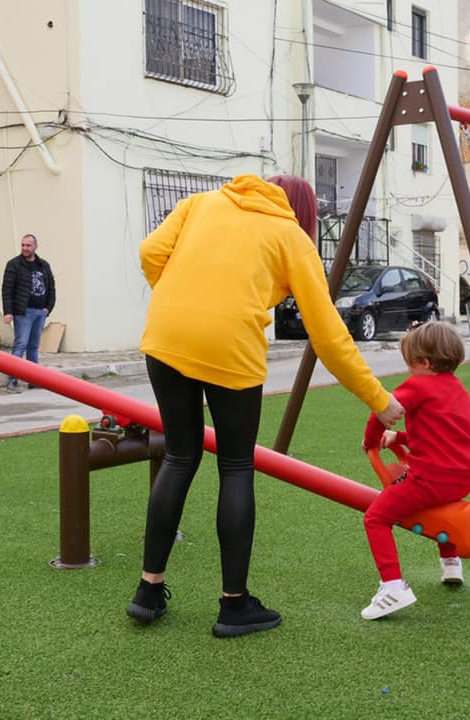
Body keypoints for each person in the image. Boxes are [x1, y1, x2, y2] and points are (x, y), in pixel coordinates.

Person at [126, 174, 401, 638]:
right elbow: (328, 333)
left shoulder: (202, 202)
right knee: (235, 467)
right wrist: (378, 399)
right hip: (230, 346)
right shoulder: (291, 236)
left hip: (166, 334)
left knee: (178, 456)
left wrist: (183, 299)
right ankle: (234, 606)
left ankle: (148, 591)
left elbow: (150, 253)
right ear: (306, 214)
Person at [360, 322, 470, 620]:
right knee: (442, 510)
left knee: (376, 517)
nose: (408, 371)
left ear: (425, 363)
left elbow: (383, 409)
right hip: (463, 477)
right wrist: (399, 439)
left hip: (431, 477)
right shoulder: (459, 391)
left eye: (410, 364)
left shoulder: (419, 385)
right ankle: (451, 563)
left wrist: (371, 440)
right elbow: (440, 433)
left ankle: (392, 586)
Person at [1, 233, 56, 393]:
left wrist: (48, 308)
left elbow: (51, 287)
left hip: (40, 312)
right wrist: (8, 312)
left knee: (33, 347)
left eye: (28, 245)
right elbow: (7, 289)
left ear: (35, 247)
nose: (25, 248)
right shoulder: (14, 265)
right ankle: (13, 381)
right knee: (20, 345)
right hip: (22, 312)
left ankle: (34, 379)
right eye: (23, 245)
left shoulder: (43, 265)